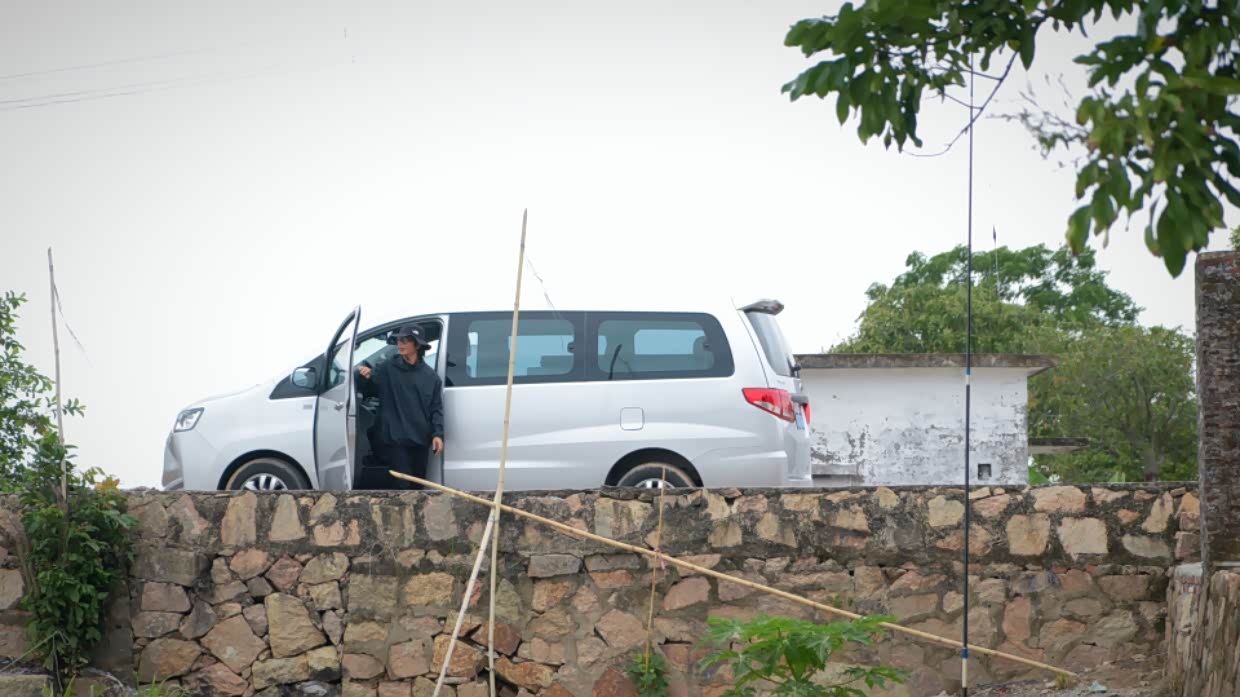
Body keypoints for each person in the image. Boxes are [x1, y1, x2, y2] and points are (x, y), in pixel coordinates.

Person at [356, 325, 444, 489]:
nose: (400, 344)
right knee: (401, 487)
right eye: (398, 340)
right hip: (395, 439)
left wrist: (437, 434)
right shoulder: (387, 368)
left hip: (420, 440)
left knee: (418, 487)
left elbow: (436, 408)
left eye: (405, 340)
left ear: (417, 345)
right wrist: (364, 377)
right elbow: (369, 390)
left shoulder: (431, 377)